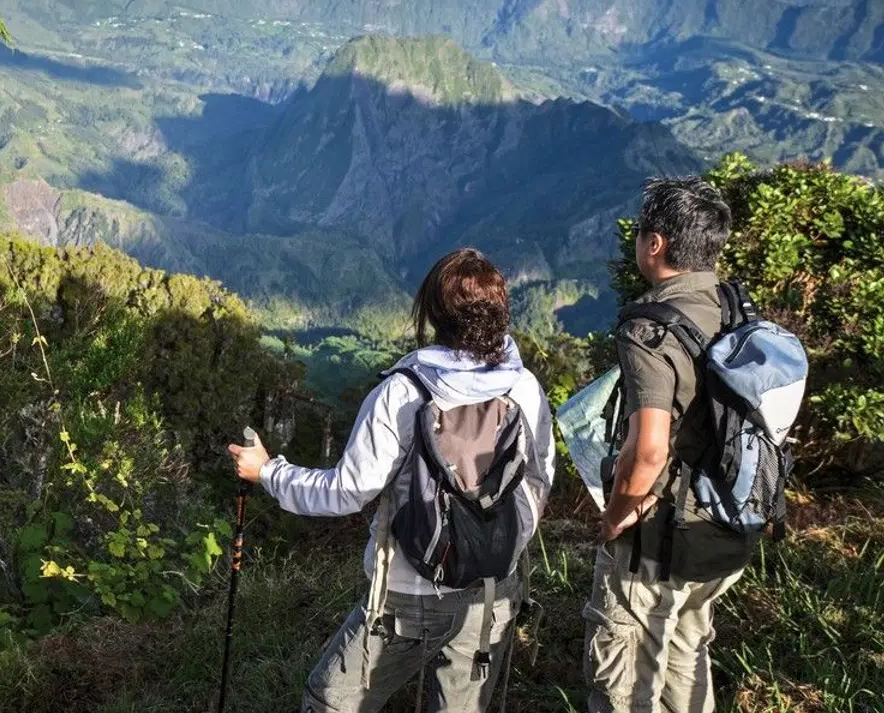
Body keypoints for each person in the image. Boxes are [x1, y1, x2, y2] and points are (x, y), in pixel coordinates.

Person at [229, 247, 555, 713]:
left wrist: (268, 472)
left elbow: (346, 491)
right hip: (492, 594)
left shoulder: (403, 393)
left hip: (408, 597)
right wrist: (495, 547)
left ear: (434, 315)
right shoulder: (524, 387)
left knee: (331, 702)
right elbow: (538, 481)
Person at [585, 176, 745, 712]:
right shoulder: (731, 308)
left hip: (660, 537)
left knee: (624, 669)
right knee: (684, 652)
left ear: (655, 245)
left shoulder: (651, 330)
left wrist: (615, 515)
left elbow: (649, 450)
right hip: (724, 523)